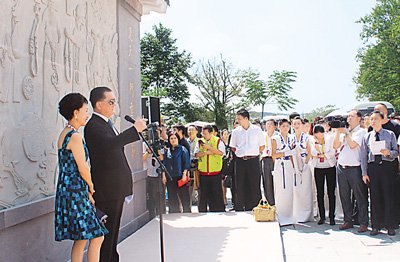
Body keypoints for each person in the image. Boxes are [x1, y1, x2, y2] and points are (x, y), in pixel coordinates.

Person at [84, 86, 146, 262]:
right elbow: (110, 145)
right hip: (107, 188)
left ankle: (112, 258)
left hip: (116, 187)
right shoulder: (94, 126)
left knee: (112, 233)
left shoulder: (106, 124)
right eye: (110, 102)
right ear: (98, 104)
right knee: (107, 235)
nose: (114, 105)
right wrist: (134, 130)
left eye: (114, 102)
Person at [55, 93, 107, 262]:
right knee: (96, 235)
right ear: (76, 112)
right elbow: (83, 168)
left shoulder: (66, 133)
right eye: (85, 110)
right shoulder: (75, 137)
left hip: (69, 189)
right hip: (75, 190)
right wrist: (91, 188)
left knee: (83, 236)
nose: (87, 114)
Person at [361, 111, 399, 236]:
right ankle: (375, 226)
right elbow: (363, 156)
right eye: (371, 119)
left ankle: (390, 225)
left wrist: (388, 153)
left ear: (382, 120)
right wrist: (364, 173)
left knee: (388, 195)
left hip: (387, 167)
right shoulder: (367, 136)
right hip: (373, 168)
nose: (373, 121)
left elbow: (395, 151)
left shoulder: (390, 134)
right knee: (374, 196)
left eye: (376, 119)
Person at [333, 110, 369, 233]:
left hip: (355, 168)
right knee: (344, 195)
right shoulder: (344, 132)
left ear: (359, 118)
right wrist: (338, 132)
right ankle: (347, 220)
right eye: (348, 116)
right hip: (342, 167)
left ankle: (363, 222)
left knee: (360, 196)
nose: (349, 118)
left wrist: (347, 133)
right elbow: (335, 146)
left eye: (352, 116)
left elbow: (353, 145)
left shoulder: (361, 132)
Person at [229, 109, 265, 211]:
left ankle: (255, 207)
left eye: (239, 119)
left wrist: (252, 152)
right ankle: (239, 207)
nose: (238, 121)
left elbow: (262, 146)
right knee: (239, 185)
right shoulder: (236, 132)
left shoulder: (257, 130)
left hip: (253, 160)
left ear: (246, 118)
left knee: (254, 184)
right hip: (240, 161)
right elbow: (233, 147)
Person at [310, 124, 337, 225]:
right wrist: (317, 153)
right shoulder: (312, 140)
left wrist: (324, 155)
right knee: (319, 193)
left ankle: (332, 216)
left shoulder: (329, 139)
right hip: (318, 167)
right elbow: (312, 151)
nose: (319, 134)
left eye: (321, 132)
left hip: (330, 167)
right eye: (316, 133)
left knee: (331, 192)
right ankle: (322, 216)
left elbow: (332, 151)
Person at [195, 125, 226, 212]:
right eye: (202, 133)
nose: (203, 135)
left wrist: (210, 148)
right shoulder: (200, 142)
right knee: (203, 195)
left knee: (216, 195)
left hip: (215, 173)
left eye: (205, 133)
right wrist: (206, 153)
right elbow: (196, 154)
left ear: (211, 133)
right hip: (203, 173)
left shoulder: (218, 141)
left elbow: (221, 153)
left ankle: (218, 211)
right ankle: (202, 211)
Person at [271, 119, 296, 225]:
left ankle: (289, 215)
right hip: (280, 164)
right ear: (279, 127)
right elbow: (273, 155)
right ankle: (280, 215)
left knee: (289, 190)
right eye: (283, 126)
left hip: (289, 165)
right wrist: (285, 153)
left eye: (287, 126)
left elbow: (293, 154)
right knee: (281, 189)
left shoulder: (291, 138)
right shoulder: (275, 138)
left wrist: (294, 167)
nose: (285, 128)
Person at [162, 132, 191, 213]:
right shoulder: (167, 150)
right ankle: (174, 212)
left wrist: (184, 174)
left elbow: (186, 163)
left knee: (184, 196)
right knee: (172, 196)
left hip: (180, 176)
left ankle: (187, 212)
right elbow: (164, 163)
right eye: (171, 138)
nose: (173, 140)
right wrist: (164, 176)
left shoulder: (183, 149)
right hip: (170, 176)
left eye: (175, 138)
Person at [292, 117, 313, 222]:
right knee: (296, 190)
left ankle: (307, 214)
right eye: (294, 124)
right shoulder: (290, 138)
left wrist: (306, 163)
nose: (296, 125)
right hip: (294, 165)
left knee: (306, 189)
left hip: (305, 164)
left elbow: (309, 152)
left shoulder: (306, 138)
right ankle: (296, 214)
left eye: (298, 123)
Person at [261, 119, 278, 205]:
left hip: (275, 158)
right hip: (265, 158)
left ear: (275, 126)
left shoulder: (277, 136)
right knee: (266, 181)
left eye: (271, 124)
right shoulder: (263, 136)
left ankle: (277, 201)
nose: (269, 126)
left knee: (276, 181)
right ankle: (270, 202)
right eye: (267, 124)